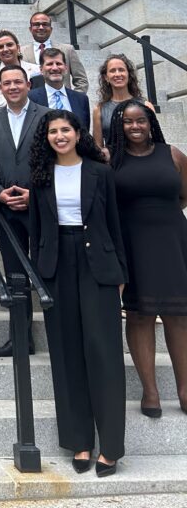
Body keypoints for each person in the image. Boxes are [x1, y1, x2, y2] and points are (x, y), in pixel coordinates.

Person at [29, 110, 127, 476]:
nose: (59, 136)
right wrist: (40, 275)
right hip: (57, 267)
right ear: (47, 137)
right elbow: (37, 232)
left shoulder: (100, 172)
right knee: (67, 354)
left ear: (77, 133)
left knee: (103, 352)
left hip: (97, 265)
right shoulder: (40, 176)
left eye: (65, 130)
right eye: (53, 131)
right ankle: (80, 441)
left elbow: (115, 223)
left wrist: (121, 272)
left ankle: (112, 447)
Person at [107, 100, 187, 417]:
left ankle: (184, 388)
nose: (135, 126)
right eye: (128, 122)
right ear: (119, 125)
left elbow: (184, 194)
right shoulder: (111, 159)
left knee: (178, 315)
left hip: (172, 241)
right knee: (139, 314)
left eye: (141, 120)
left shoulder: (173, 154)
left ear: (150, 122)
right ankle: (150, 391)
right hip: (132, 243)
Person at [0, 65, 48, 356]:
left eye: (17, 82)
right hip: (6, 210)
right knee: (15, 276)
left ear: (28, 84)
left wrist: (36, 193)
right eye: (6, 83)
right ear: (0, 88)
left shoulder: (46, 116)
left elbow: (54, 159)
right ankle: (21, 338)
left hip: (41, 207)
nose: (13, 87)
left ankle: (59, 333)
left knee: (48, 272)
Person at [92, 53, 154, 153]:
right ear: (106, 77)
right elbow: (98, 147)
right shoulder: (99, 109)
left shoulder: (146, 106)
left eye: (121, 70)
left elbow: (154, 140)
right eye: (112, 71)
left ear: (129, 75)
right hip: (114, 165)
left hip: (142, 162)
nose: (117, 74)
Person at [0, 30, 40, 114]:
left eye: (9, 45)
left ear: (18, 47)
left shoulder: (36, 70)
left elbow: (41, 97)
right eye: (1, 47)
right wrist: (12, 97)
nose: (5, 49)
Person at [21, 12, 89, 93]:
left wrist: (74, 99)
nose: (41, 27)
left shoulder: (67, 50)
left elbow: (81, 80)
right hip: (33, 102)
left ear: (51, 29)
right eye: (37, 24)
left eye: (45, 24)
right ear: (30, 29)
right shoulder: (21, 52)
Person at [29, 48, 91, 130]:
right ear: (41, 70)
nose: (55, 68)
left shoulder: (81, 99)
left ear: (65, 68)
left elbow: (84, 131)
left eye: (58, 63)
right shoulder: (30, 98)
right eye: (50, 64)